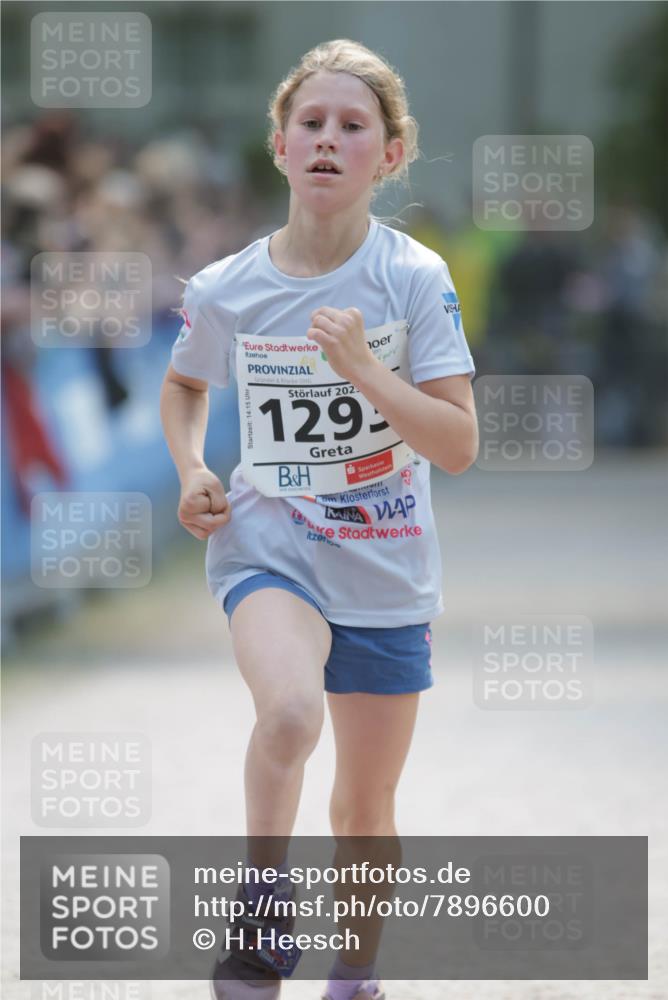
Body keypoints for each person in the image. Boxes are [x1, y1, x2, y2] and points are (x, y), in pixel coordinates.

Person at [160, 38, 478, 1000]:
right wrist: (190, 467)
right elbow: (183, 385)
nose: (329, 140)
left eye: (354, 126)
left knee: (365, 805)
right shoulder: (227, 287)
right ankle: (260, 912)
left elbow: (458, 443)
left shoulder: (415, 279)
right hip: (270, 547)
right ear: (280, 146)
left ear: (391, 155)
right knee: (291, 715)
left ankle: (357, 973)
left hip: (385, 564)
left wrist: (367, 374)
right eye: (312, 123)